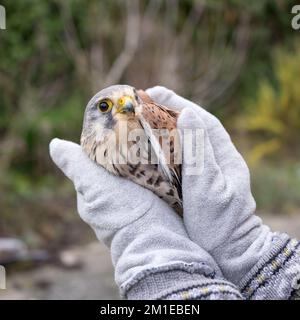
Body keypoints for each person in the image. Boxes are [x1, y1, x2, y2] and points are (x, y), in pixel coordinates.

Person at [49, 86, 300, 300]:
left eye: (129, 99)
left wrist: (169, 279)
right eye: (105, 106)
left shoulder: (150, 128)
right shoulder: (94, 149)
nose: (124, 105)